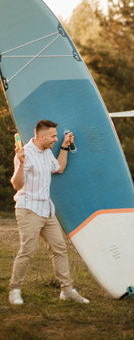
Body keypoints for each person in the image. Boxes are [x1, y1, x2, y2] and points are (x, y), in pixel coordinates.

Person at [9, 120, 89, 305]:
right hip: (28, 209)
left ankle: (67, 291)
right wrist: (20, 164)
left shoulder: (46, 153)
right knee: (27, 251)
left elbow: (59, 168)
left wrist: (64, 146)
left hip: (47, 209)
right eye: (53, 136)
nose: (55, 139)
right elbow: (16, 185)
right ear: (42, 136)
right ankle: (15, 290)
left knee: (60, 249)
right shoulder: (25, 154)